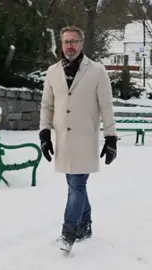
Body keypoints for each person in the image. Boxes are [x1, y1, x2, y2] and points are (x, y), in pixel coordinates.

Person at [38, 25, 118, 252]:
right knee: (76, 185)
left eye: (73, 41)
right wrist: (44, 133)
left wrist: (110, 137)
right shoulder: (53, 71)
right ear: (61, 45)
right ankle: (85, 224)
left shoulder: (96, 70)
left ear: (82, 44)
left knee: (76, 186)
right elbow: (47, 105)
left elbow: (106, 106)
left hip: (85, 138)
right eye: (66, 42)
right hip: (63, 139)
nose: (69, 46)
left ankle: (68, 232)